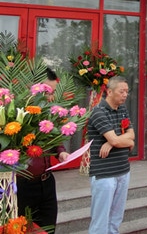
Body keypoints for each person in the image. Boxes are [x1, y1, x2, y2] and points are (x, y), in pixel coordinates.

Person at [17, 68, 69, 232]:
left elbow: (54, 138)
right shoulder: (17, 113)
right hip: (22, 185)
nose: (51, 97)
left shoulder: (48, 112)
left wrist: (61, 151)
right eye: (47, 92)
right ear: (32, 87)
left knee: (48, 228)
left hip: (46, 182)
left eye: (53, 92)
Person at [88, 76, 135, 233]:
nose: (125, 95)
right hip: (104, 173)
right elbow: (121, 139)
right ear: (109, 91)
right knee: (100, 219)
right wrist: (119, 141)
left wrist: (112, 142)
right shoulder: (98, 112)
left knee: (116, 218)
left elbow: (132, 135)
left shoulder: (122, 109)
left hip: (123, 170)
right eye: (121, 91)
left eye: (127, 91)